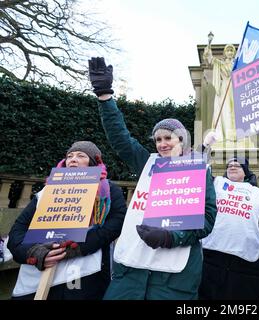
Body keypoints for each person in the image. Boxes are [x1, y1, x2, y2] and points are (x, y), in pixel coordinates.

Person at [88, 57, 217, 300]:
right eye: (158, 140)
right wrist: (105, 96)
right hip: (130, 271)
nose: (162, 144)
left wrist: (171, 237)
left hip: (175, 277)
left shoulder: (198, 169)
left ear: (182, 140)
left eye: (168, 138)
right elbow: (121, 139)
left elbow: (207, 219)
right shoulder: (148, 161)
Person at [7, 141, 127, 299]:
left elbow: (115, 224)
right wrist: (33, 252)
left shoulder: (109, 190)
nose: (73, 159)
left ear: (93, 162)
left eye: (81, 156)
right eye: (69, 156)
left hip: (83, 275)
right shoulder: (46, 191)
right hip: (36, 277)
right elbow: (19, 229)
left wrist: (77, 248)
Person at [199, 156, 259, 300]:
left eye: (237, 166)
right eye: (229, 165)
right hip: (212, 257)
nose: (232, 167)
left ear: (246, 172)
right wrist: (204, 148)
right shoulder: (216, 184)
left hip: (245, 265)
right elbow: (198, 172)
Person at [203, 44, 236, 142]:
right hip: (225, 89)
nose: (230, 52)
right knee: (225, 111)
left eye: (231, 51)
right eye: (228, 51)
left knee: (235, 111)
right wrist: (209, 44)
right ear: (225, 53)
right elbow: (210, 58)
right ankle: (226, 135)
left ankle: (235, 135)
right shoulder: (220, 64)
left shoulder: (237, 63)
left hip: (236, 88)